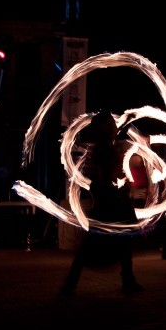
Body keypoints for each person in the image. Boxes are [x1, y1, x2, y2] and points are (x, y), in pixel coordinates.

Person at [60, 110, 144, 295]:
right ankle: (72, 285)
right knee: (105, 241)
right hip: (109, 198)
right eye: (112, 124)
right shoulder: (104, 147)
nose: (116, 126)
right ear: (106, 127)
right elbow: (105, 174)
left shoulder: (104, 144)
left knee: (118, 239)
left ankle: (126, 280)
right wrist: (119, 185)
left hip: (107, 195)